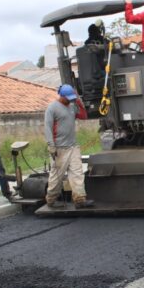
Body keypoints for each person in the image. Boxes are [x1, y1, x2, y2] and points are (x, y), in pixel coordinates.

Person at [38, 84, 94, 212]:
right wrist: (51, 145)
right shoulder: (52, 108)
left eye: (71, 98)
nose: (69, 100)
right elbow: (47, 128)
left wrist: (79, 102)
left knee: (77, 173)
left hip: (73, 146)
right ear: (61, 96)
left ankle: (80, 199)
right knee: (56, 177)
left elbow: (84, 116)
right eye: (68, 98)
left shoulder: (72, 106)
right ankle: (51, 199)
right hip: (60, 149)